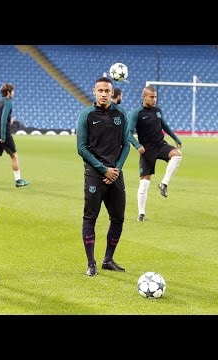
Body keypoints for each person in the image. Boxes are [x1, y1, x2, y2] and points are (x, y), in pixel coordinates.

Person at [77, 76, 130, 276]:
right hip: (94, 174)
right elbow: (81, 148)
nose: (104, 94)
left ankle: (108, 259)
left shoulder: (120, 113)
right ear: (94, 92)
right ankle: (91, 263)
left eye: (107, 91)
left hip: (115, 173)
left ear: (112, 93)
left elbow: (126, 144)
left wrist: (116, 169)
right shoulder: (86, 115)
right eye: (100, 91)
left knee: (118, 218)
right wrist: (103, 169)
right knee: (90, 217)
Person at [128, 85, 182, 222]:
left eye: (155, 97)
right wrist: (137, 145)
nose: (154, 100)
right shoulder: (137, 113)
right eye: (152, 97)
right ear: (144, 97)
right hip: (146, 150)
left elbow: (164, 125)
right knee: (144, 184)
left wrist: (175, 138)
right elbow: (127, 133)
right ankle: (141, 214)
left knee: (177, 154)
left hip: (160, 145)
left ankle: (164, 183)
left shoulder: (158, 111)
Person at [0, 83, 30, 189]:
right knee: (14, 156)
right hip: (4, 134)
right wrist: (3, 137)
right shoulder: (8, 102)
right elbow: (3, 119)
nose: (14, 93)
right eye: (13, 91)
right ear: (9, 92)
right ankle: (18, 180)